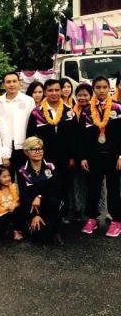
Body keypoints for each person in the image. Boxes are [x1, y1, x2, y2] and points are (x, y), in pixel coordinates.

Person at [79, 76, 121, 237]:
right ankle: (92, 218)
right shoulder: (87, 110)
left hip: (113, 157)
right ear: (93, 89)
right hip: (93, 156)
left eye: (104, 87)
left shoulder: (117, 108)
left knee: (113, 189)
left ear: (109, 88)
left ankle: (117, 220)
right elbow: (82, 136)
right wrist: (83, 157)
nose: (101, 90)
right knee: (93, 188)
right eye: (98, 87)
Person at [26, 79, 76, 214]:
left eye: (57, 90)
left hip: (65, 159)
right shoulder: (36, 113)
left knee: (64, 186)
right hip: (44, 158)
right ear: (45, 92)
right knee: (46, 187)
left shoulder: (69, 112)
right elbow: (30, 137)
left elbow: (75, 137)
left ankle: (64, 215)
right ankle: (46, 216)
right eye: (50, 90)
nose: (54, 93)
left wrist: (72, 157)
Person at [18, 137, 63, 244]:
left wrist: (40, 196)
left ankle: (56, 231)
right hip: (32, 208)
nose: (38, 151)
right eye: (34, 149)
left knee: (54, 201)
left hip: (49, 205)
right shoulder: (23, 171)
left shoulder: (50, 166)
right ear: (27, 152)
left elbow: (56, 188)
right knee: (40, 238)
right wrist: (35, 215)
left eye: (40, 148)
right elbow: (24, 195)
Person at [0, 72, 35, 178]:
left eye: (14, 81)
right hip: (4, 147)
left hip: (23, 146)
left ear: (19, 83)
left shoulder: (28, 101)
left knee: (25, 178)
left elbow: (32, 124)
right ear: (3, 85)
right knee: (7, 178)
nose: (11, 84)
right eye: (8, 82)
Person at [69, 83, 93, 222]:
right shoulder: (72, 111)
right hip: (76, 153)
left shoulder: (94, 111)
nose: (82, 98)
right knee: (76, 183)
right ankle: (78, 209)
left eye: (85, 95)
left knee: (90, 184)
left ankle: (91, 212)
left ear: (91, 96)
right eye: (79, 95)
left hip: (90, 153)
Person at [0, 166, 23, 241]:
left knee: (18, 211)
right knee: (0, 223)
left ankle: (15, 231)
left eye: (9, 176)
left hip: (14, 212)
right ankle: (11, 232)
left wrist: (15, 205)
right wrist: (6, 209)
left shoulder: (15, 187)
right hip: (1, 215)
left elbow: (21, 201)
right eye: (4, 177)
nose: (8, 178)